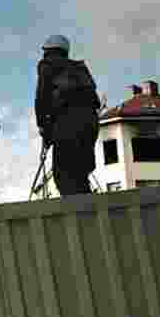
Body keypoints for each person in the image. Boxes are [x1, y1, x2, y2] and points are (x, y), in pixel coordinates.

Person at [35, 34, 101, 197]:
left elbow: (41, 99)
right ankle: (87, 208)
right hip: (90, 126)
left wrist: (43, 127)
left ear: (48, 50)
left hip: (67, 126)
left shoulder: (47, 66)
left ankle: (78, 213)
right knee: (81, 172)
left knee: (63, 176)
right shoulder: (79, 68)